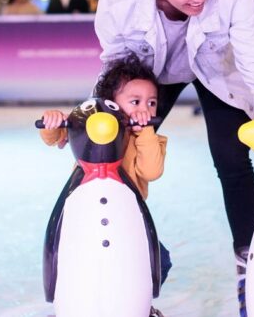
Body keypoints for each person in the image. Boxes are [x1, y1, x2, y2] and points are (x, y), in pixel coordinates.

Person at [93, 0, 254, 315]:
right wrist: (103, 117)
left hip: (217, 71)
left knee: (233, 158)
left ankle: (252, 267)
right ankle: (124, 264)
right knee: (114, 156)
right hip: (145, 74)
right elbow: (115, 66)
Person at [39, 55, 169, 317]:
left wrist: (145, 132)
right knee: (77, 260)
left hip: (127, 223)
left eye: (151, 103)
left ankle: (141, 303)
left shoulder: (149, 139)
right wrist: (52, 121)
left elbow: (152, 170)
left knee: (157, 260)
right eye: (135, 101)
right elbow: (55, 136)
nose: (145, 108)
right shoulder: (92, 127)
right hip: (85, 222)